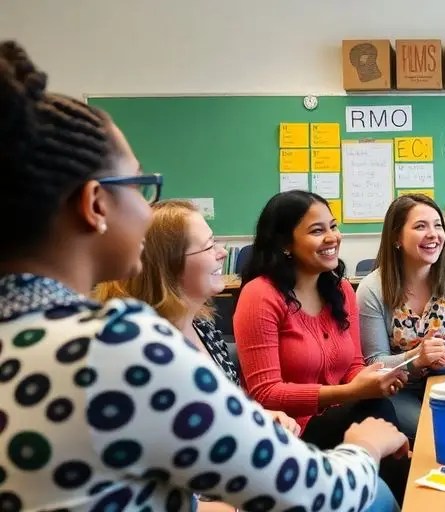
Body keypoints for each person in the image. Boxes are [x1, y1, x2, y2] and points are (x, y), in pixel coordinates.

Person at [0, 40, 406, 512]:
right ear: (95, 205)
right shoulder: (114, 344)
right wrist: (365, 448)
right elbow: (312, 493)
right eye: (139, 185)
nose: (146, 210)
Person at [233, 190, 411, 503]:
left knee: (378, 408)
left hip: (341, 420)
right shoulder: (260, 296)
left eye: (333, 226)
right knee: (377, 412)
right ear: (285, 244)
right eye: (317, 231)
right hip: (289, 434)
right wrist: (354, 392)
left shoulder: (340, 288)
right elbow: (266, 393)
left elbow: (353, 364)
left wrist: (373, 379)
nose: (333, 238)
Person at [94, 200, 301, 434]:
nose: (221, 253)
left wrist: (258, 416)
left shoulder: (203, 326)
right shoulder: (140, 348)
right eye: (209, 246)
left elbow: (224, 411)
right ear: (168, 266)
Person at [357, 194, 445, 440]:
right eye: (421, 226)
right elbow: (374, 362)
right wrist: (415, 358)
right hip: (397, 389)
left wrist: (444, 356)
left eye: (437, 225)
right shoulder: (371, 288)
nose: (433, 234)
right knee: (431, 430)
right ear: (397, 238)